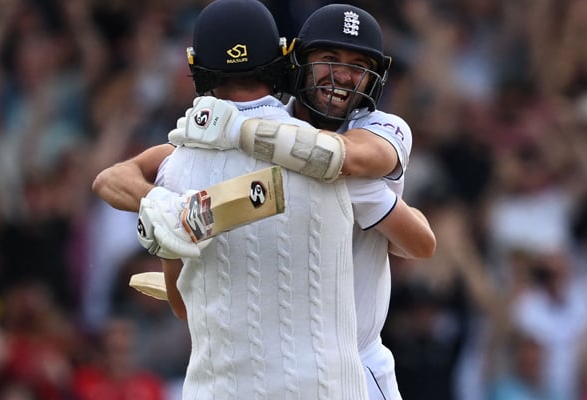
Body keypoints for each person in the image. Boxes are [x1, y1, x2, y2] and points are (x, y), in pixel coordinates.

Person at [92, 3, 435, 399]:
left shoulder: (367, 144)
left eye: (357, 65)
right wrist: (166, 206)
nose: (342, 75)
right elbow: (112, 178)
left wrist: (227, 126)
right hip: (295, 370)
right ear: (293, 61)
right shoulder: (212, 146)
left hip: (354, 363)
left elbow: (417, 238)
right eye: (329, 59)